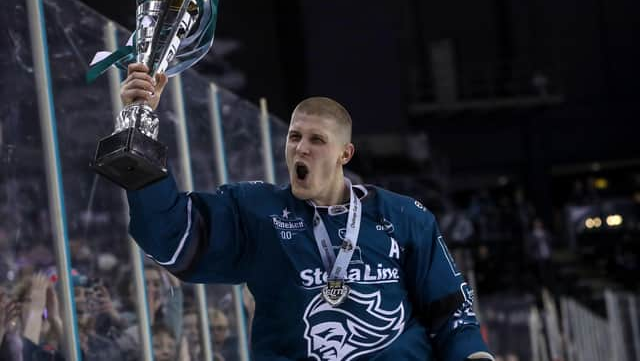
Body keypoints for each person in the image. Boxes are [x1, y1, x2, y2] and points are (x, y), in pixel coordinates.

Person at [121, 63, 495, 360]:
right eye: (295, 137)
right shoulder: (257, 212)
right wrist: (139, 129)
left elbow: (452, 314)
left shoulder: (404, 217)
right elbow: (171, 234)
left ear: (344, 154)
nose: (301, 149)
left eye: (317, 140)